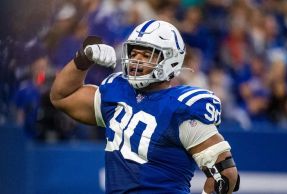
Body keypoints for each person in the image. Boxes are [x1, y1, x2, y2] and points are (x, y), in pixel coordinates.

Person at [50, 19, 239, 194]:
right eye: (133, 53)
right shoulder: (118, 91)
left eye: (147, 54)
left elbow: (225, 175)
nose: (136, 60)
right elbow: (61, 96)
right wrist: (83, 59)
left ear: (170, 59)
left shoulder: (181, 107)